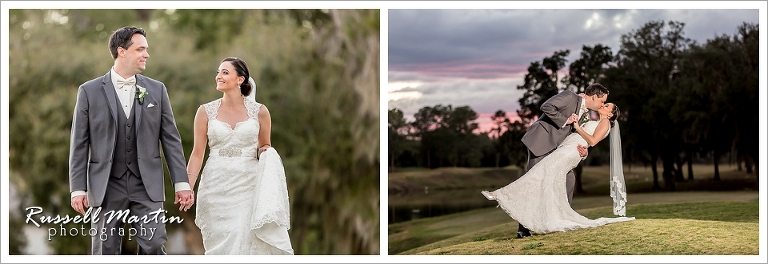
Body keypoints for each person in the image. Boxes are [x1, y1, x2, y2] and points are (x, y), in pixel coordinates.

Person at [68, 26, 194, 254]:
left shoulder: (157, 90)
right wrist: (78, 188)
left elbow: (171, 140)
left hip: (147, 185)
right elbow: (79, 143)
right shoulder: (89, 91)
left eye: (146, 49)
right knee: (104, 249)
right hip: (105, 185)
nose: (146, 54)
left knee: (155, 245)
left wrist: (182, 183)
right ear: (121, 51)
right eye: (141, 49)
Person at [186, 57, 294, 255]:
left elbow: (264, 145)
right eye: (218, 72)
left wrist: (267, 152)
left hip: (248, 186)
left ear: (240, 79)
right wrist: (187, 187)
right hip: (215, 186)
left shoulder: (260, 112)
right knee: (220, 246)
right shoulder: (205, 112)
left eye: (225, 72)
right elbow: (197, 154)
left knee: (243, 236)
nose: (219, 76)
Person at [482, 103, 635, 235]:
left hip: (571, 151)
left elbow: (593, 141)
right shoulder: (596, 120)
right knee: (548, 176)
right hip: (569, 148)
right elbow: (588, 139)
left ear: (610, 114)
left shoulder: (605, 123)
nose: (604, 105)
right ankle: (547, 216)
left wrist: (576, 127)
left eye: (607, 106)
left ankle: (501, 194)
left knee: (541, 171)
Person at [509, 83, 609, 238]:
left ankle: (562, 219)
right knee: (533, 183)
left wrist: (584, 152)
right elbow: (546, 106)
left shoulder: (586, 115)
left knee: (569, 179)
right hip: (540, 142)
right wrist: (566, 120)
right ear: (594, 97)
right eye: (602, 101)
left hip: (557, 149)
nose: (602, 105)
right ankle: (523, 229)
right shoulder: (570, 96)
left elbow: (576, 137)